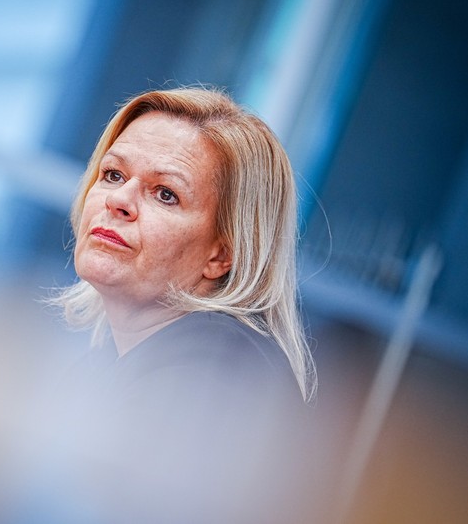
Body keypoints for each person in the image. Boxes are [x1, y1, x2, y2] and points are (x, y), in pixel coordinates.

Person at [40, 85, 317, 523]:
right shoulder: (105, 363)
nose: (119, 201)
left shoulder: (219, 371)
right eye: (113, 175)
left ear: (222, 255)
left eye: (165, 193)